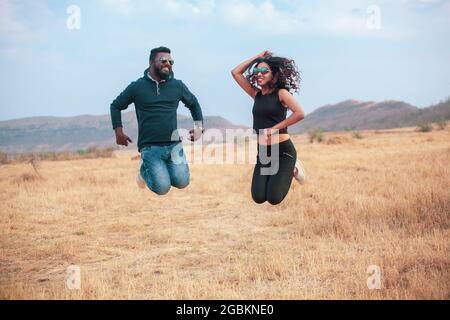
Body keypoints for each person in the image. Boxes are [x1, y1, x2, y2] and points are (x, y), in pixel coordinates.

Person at [110, 46, 204, 195]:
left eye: (171, 61)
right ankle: (143, 170)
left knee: (182, 182)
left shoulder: (177, 86)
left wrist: (199, 128)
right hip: (150, 147)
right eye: (163, 60)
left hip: (174, 144)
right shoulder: (137, 87)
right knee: (162, 188)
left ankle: (158, 170)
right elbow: (115, 106)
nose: (168, 64)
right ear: (151, 62)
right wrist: (118, 131)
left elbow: (193, 104)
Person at [231, 51, 305, 205]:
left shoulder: (281, 94)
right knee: (258, 197)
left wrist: (276, 128)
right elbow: (236, 72)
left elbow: (299, 113)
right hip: (264, 152)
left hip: (283, 151)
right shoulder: (256, 94)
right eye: (257, 71)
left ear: (274, 74)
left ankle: (294, 168)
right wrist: (257, 57)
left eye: (264, 71)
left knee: (274, 198)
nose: (259, 74)